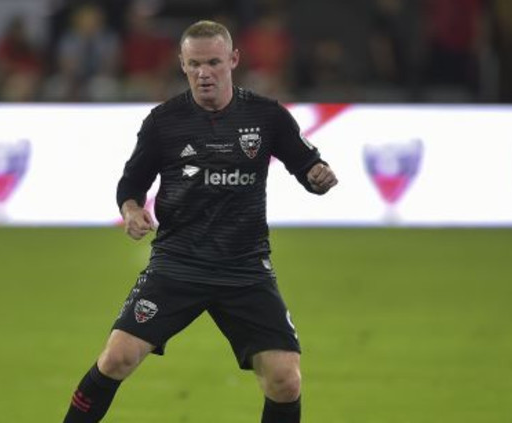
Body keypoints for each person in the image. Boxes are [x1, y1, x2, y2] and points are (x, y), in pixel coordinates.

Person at [63, 20, 338, 423]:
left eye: (213, 62)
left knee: (285, 379)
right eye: (194, 64)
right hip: (178, 263)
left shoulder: (267, 116)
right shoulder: (164, 122)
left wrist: (318, 174)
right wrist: (132, 210)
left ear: (233, 60)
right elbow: (131, 185)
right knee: (117, 357)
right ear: (182, 64)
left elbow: (307, 165)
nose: (203, 73)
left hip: (244, 268)